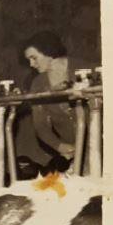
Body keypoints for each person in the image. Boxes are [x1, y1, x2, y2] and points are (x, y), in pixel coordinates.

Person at [22, 31, 95, 168]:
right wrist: (59, 146)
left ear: (48, 51)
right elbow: (41, 125)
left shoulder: (89, 70)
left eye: (34, 58)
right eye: (29, 60)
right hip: (76, 153)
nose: (31, 64)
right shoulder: (38, 83)